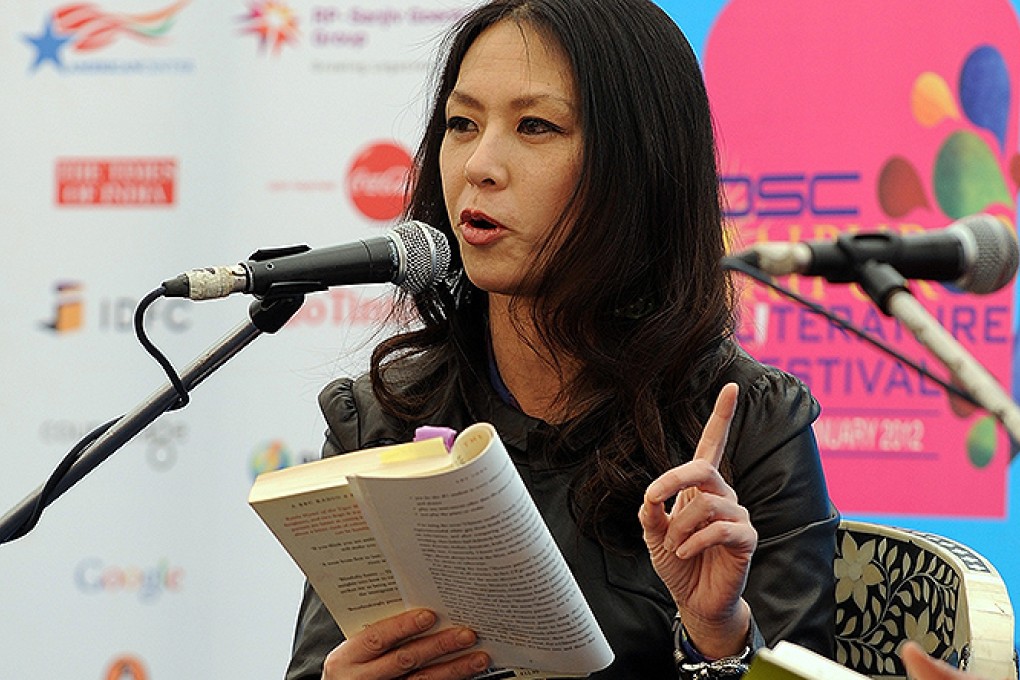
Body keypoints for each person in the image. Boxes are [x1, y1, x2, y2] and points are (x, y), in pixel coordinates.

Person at [285, 1, 839, 678]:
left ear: (636, 167)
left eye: (535, 126)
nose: (479, 166)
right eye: (462, 123)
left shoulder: (751, 425)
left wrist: (716, 638)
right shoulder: (380, 419)